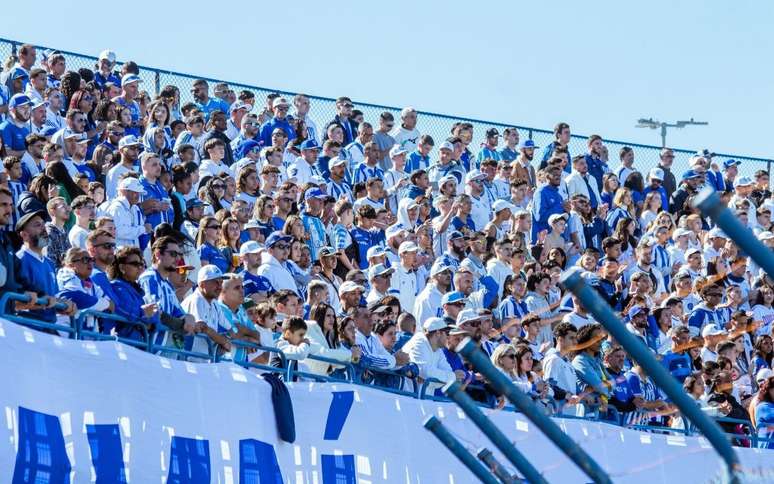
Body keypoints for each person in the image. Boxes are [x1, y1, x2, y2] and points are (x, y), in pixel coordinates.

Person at [401, 317, 460, 394]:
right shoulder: (419, 342)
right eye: (447, 333)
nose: (448, 337)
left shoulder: (438, 349)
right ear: (438, 333)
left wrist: (429, 379)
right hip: (407, 398)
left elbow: (448, 372)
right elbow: (426, 372)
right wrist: (451, 376)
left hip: (423, 399)